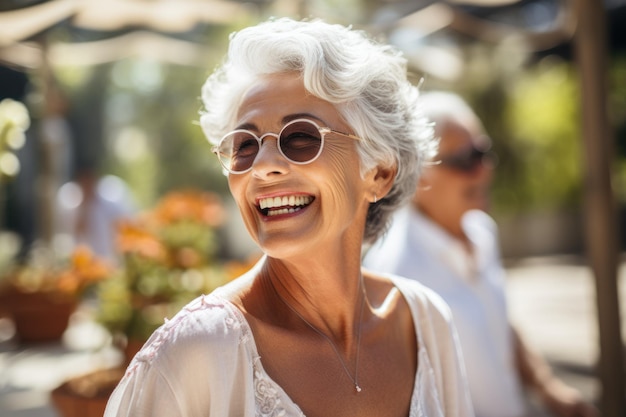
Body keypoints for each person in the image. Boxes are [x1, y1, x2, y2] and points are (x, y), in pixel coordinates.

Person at [104, 17, 474, 417]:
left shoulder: (425, 323)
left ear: (379, 174)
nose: (261, 167)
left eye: (300, 137)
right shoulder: (197, 352)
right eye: (244, 145)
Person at [363, 91, 599, 417]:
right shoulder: (394, 273)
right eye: (465, 161)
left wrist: (548, 389)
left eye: (482, 152)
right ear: (418, 178)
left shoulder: (481, 230)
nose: (484, 170)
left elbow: (497, 317)